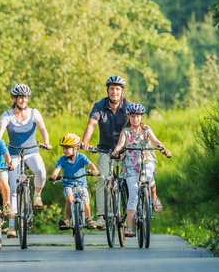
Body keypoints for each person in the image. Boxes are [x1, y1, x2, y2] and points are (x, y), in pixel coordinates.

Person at [0, 83, 52, 238]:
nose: (22, 100)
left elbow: (42, 129)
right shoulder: (7, 115)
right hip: (14, 154)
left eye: (25, 97)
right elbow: (0, 135)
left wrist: (46, 141)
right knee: (13, 189)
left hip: (31, 151)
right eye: (19, 97)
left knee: (41, 172)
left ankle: (37, 195)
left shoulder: (34, 113)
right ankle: (12, 227)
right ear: (14, 99)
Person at [111, 102, 171, 238]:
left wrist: (164, 149)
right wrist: (116, 151)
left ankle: (154, 198)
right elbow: (120, 145)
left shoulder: (146, 130)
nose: (135, 119)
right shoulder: (125, 132)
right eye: (132, 116)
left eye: (138, 116)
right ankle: (130, 226)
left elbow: (156, 141)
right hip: (131, 165)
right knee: (133, 194)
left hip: (146, 161)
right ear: (129, 117)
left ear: (141, 117)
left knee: (149, 177)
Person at [80, 75, 129, 229]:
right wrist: (85, 142)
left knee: (129, 179)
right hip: (105, 149)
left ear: (122, 92)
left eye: (117, 89)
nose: (114, 92)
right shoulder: (99, 106)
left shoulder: (128, 107)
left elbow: (136, 126)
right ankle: (102, 216)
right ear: (107, 90)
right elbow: (92, 124)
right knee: (103, 179)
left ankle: (129, 214)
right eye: (112, 89)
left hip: (126, 149)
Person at [50, 133, 100, 230]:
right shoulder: (63, 159)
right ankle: (67, 219)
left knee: (86, 201)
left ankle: (88, 218)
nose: (65, 150)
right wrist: (54, 175)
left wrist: (95, 171)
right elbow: (57, 169)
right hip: (68, 184)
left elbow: (91, 165)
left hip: (81, 184)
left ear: (76, 148)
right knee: (69, 199)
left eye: (67, 148)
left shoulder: (81, 157)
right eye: (64, 148)